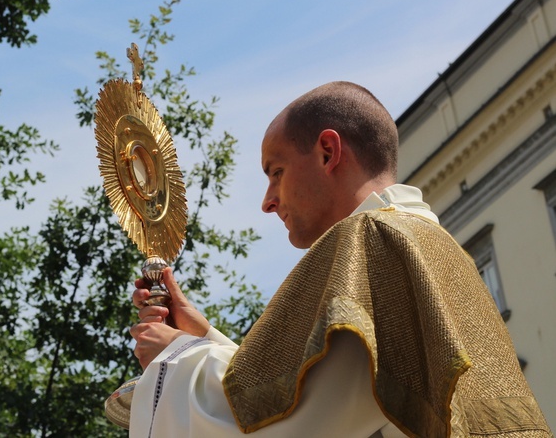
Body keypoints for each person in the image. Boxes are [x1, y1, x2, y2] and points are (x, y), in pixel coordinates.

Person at [129, 81, 551, 437]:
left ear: (328, 152)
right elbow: (324, 396)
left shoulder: (369, 239)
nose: (268, 202)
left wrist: (174, 359)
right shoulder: (436, 245)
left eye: (276, 171)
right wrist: (205, 340)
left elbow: (281, 428)